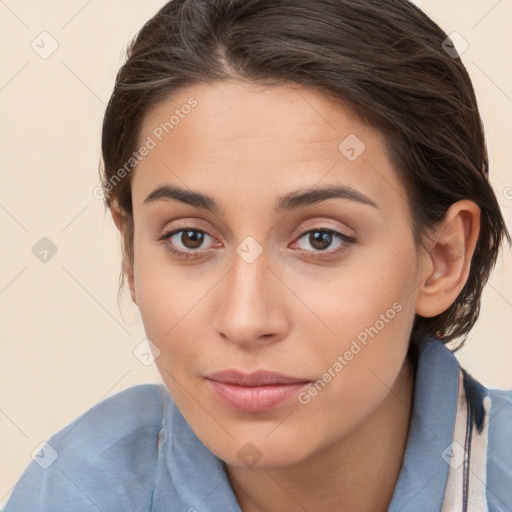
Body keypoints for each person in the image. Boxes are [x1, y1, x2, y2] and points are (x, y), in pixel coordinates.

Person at [5, 0, 511, 510]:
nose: (245, 321)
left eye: (321, 239)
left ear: (442, 257)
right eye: (191, 238)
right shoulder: (70, 491)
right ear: (131, 256)